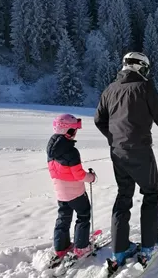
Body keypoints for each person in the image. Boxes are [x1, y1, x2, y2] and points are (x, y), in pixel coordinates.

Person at [94, 52, 158, 267]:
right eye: (145, 68)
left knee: (123, 195)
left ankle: (119, 250)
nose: (147, 73)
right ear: (138, 67)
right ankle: (147, 247)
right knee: (151, 193)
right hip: (140, 152)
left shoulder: (110, 89)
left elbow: (99, 120)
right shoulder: (145, 87)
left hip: (117, 152)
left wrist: (114, 138)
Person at [47, 113, 96, 264]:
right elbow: (79, 175)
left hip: (60, 192)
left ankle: (61, 247)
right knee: (83, 214)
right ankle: (81, 247)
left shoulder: (51, 149)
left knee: (63, 217)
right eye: (74, 129)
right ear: (67, 131)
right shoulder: (71, 152)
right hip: (75, 192)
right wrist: (91, 177)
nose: (75, 132)